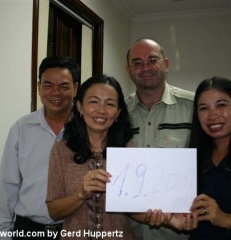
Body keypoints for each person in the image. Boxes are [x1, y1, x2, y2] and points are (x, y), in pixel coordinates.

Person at [46, 74, 195, 240]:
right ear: (80, 107)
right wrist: (81, 193)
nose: (101, 110)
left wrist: (168, 219)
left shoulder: (128, 150)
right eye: (94, 102)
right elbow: (54, 211)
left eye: (110, 104)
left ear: (117, 112)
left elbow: (131, 210)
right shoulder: (61, 150)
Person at [0, 56, 80, 240]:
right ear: (38, 87)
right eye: (48, 85)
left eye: (64, 86)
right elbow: (7, 185)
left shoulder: (88, 128)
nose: (56, 92)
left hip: (74, 229)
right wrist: (3, 234)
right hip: (28, 229)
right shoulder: (22, 128)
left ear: (75, 88)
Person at [125, 37, 195, 240]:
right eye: (137, 63)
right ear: (128, 70)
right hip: (129, 230)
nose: (145, 67)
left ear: (166, 64)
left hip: (180, 231)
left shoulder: (193, 106)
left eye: (152, 60)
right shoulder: (116, 112)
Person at [189, 76, 231, 240]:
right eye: (204, 108)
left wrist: (226, 219)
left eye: (221, 105)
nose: (212, 115)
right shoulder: (194, 155)